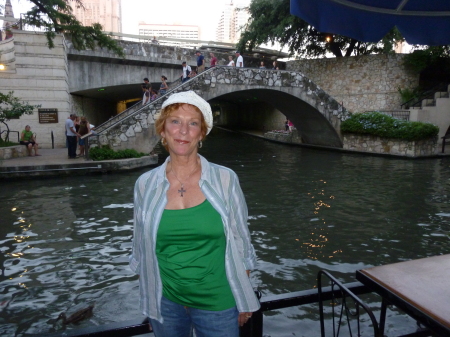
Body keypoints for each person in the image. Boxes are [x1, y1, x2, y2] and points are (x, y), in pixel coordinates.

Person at [129, 91, 260, 337]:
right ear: (163, 130)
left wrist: (243, 297)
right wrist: (151, 303)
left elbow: (241, 240)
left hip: (218, 302)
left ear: (202, 134)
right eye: (175, 121)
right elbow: (140, 245)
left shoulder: (225, 179)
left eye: (193, 123)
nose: (183, 130)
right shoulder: (145, 184)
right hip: (166, 302)